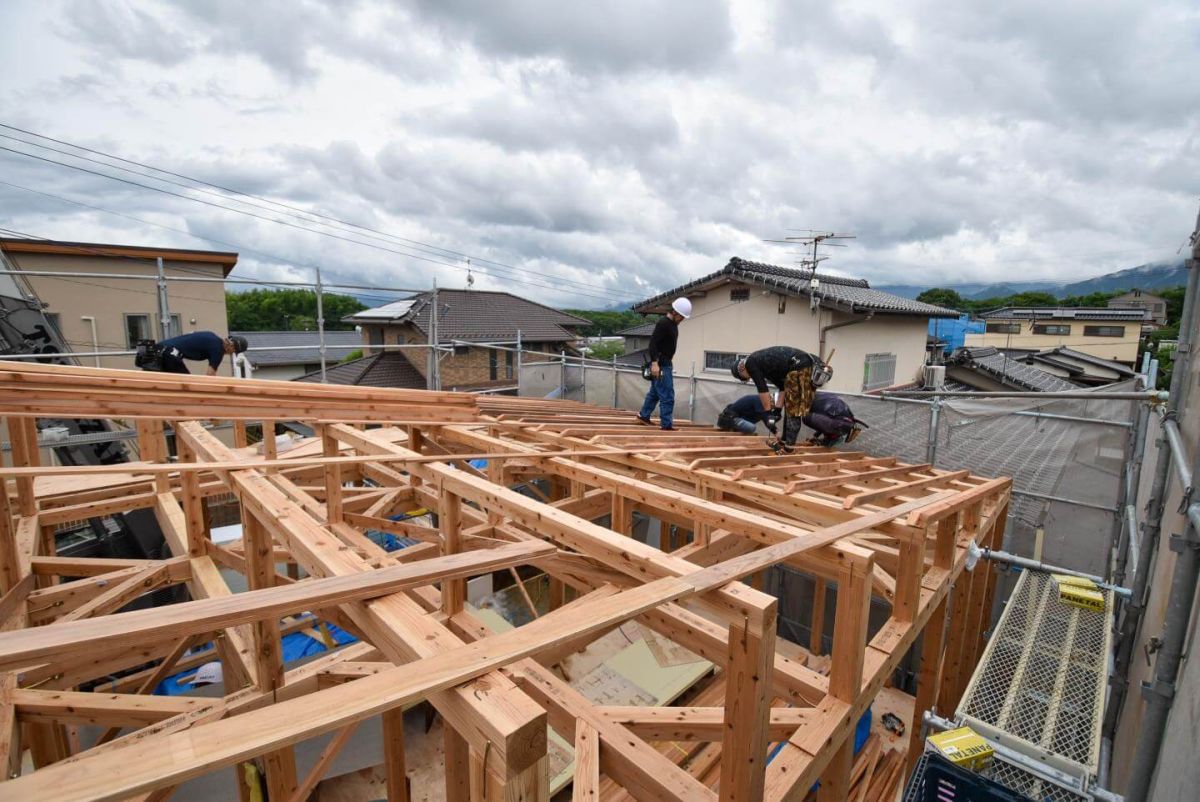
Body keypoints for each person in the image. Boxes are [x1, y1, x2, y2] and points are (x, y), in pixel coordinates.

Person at [731, 346, 832, 445]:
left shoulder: (750, 363)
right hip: (809, 365)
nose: (750, 378)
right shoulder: (766, 366)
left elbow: (762, 389)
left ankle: (789, 446)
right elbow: (783, 388)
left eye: (745, 378)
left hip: (800, 366)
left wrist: (768, 413)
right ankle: (785, 440)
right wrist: (777, 411)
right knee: (791, 405)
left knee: (793, 410)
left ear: (740, 370)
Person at [637, 298, 691, 430]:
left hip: (665, 363)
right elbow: (652, 344)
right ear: (675, 312)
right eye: (682, 317)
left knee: (655, 393)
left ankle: (644, 416)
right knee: (667, 395)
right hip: (661, 364)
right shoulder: (664, 323)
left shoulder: (672, 324)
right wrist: (655, 363)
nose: (682, 319)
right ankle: (666, 425)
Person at [137, 331, 248, 376]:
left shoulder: (211, 335)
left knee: (159, 383)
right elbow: (210, 376)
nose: (231, 353)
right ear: (233, 347)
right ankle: (184, 415)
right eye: (234, 351)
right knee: (187, 383)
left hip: (154, 350)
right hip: (169, 354)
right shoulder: (218, 350)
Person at [716, 394, 780, 436]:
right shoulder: (759, 400)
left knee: (754, 421)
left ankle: (734, 430)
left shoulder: (762, 402)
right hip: (728, 420)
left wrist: (775, 431)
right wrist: (776, 432)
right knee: (751, 427)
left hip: (733, 419)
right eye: (773, 406)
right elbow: (766, 418)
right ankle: (732, 430)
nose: (772, 408)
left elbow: (767, 419)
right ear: (771, 400)